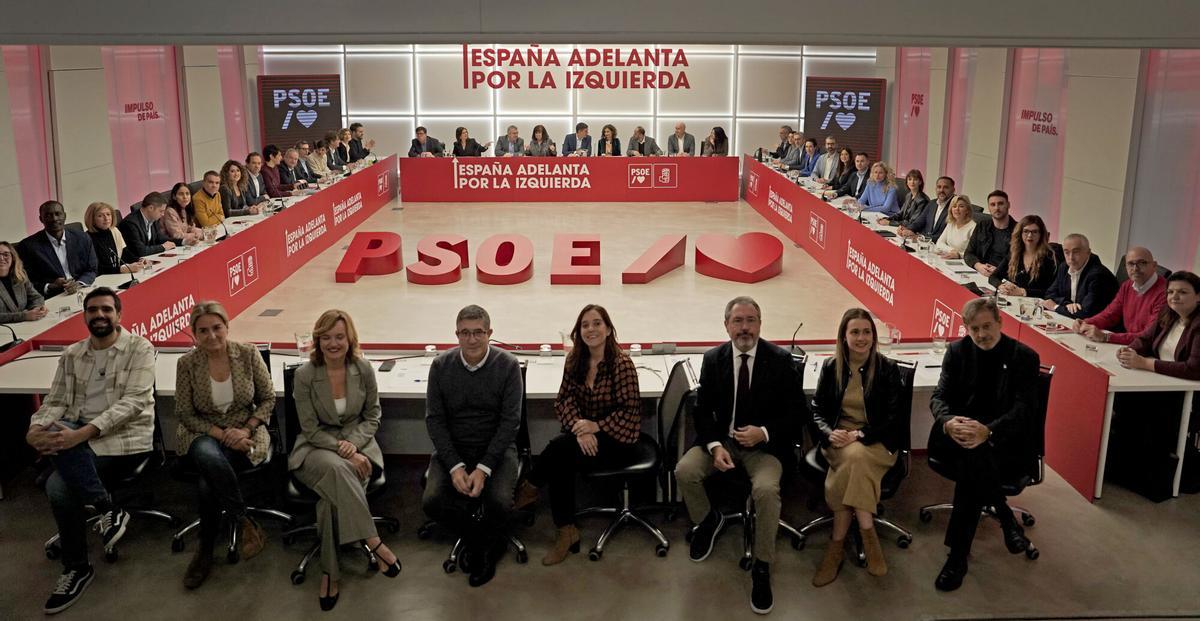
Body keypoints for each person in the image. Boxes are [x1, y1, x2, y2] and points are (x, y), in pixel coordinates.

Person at [25, 287, 156, 614]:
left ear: (119, 315)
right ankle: (106, 508)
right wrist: (34, 430)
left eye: (106, 310)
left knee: (58, 485)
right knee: (58, 435)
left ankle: (77, 566)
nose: (99, 315)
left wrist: (81, 433)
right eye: (93, 310)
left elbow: (134, 403)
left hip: (124, 438)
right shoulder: (71, 355)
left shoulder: (140, 348)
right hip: (77, 436)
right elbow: (54, 402)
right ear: (84, 316)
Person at [675, 296, 807, 615]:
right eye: (738, 321)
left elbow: (796, 414)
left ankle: (762, 566)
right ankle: (709, 521)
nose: (744, 327)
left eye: (751, 320)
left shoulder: (780, 360)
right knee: (684, 471)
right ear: (726, 326)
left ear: (760, 324)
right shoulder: (713, 359)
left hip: (765, 449)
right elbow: (702, 411)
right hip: (724, 442)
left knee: (765, 491)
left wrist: (763, 432)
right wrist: (715, 446)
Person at [513, 304, 642, 566]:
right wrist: (580, 428)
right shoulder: (575, 361)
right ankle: (566, 531)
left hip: (619, 440)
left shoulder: (622, 364)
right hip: (583, 439)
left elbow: (630, 412)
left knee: (560, 450)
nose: (591, 329)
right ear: (578, 331)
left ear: (608, 329)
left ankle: (531, 487)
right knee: (562, 457)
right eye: (585, 325)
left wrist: (596, 426)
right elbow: (564, 401)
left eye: (597, 323)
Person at [289, 309, 400, 611]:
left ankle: (329, 572)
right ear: (317, 340)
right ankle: (373, 542)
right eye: (326, 337)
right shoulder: (305, 375)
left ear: (350, 339)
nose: (333, 343)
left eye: (339, 336)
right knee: (341, 470)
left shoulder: (363, 369)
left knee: (329, 500)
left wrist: (352, 444)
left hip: (358, 447)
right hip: (315, 449)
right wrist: (342, 448)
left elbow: (373, 416)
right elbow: (309, 428)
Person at [929, 296, 1039, 592]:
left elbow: (1024, 410)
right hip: (957, 435)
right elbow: (939, 398)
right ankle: (1006, 519)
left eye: (987, 326)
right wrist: (949, 422)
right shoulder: (956, 352)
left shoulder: (1024, 357)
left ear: (1001, 322)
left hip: (1003, 441)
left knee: (973, 463)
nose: (981, 334)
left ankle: (958, 556)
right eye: (974, 328)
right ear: (966, 328)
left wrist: (987, 432)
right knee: (973, 455)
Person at [174, 301, 273, 589]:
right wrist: (222, 434)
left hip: (247, 433)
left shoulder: (248, 353)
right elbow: (184, 413)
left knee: (208, 482)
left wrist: (245, 430)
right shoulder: (187, 364)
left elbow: (268, 399)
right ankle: (244, 522)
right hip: (202, 434)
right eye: (202, 330)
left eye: (217, 328)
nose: (211, 335)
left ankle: (205, 550)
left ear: (227, 327)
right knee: (206, 452)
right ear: (193, 333)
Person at [422, 305, 522, 587]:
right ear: (456, 334)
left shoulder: (508, 365)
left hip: (496, 451)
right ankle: (484, 543)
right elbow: (435, 421)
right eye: (465, 332)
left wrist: (483, 468)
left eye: (478, 332)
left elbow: (510, 423)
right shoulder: (441, 366)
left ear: (490, 333)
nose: (472, 339)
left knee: (499, 502)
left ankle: (479, 548)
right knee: (432, 501)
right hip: (454, 450)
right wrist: (454, 467)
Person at [810, 308, 903, 586]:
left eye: (866, 332)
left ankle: (835, 547)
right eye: (855, 332)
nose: (861, 337)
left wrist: (861, 434)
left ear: (873, 336)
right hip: (839, 441)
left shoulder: (887, 369)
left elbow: (893, 419)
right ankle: (868, 533)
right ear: (844, 336)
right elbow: (817, 410)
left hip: (876, 442)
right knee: (854, 460)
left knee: (856, 459)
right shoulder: (831, 367)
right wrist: (830, 433)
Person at [1117, 271, 1200, 379]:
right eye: (1170, 292)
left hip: (1186, 389)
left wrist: (1144, 363)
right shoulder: (1168, 313)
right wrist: (1128, 351)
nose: (1174, 297)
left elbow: (1194, 369)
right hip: (1159, 378)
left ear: (1198, 296)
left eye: (1182, 292)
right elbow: (1145, 340)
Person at [1076, 247, 1168, 345]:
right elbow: (1110, 314)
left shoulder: (1166, 293)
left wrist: (1106, 337)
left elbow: (1148, 336)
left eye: (1142, 263)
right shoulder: (1127, 285)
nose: (1135, 268)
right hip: (1129, 345)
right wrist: (1085, 323)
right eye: (1130, 264)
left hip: (1149, 351)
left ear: (1154, 266)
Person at [17, 200, 98, 297]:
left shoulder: (82, 238)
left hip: (82, 289)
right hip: (53, 296)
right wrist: (51, 286)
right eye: (48, 215)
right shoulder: (28, 246)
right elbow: (26, 282)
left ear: (64, 216)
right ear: (41, 219)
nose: (54, 219)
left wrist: (79, 284)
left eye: (58, 214)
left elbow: (92, 269)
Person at [1041, 233, 1119, 319]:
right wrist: (1067, 304)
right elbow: (1049, 295)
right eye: (1066, 252)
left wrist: (1055, 307)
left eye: (1076, 252)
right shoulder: (1064, 267)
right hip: (1074, 320)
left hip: (1103, 327)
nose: (1071, 257)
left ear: (1088, 252)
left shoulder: (1098, 275)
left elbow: (1085, 313)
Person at [991, 215, 1057, 298]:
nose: (1029, 235)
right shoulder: (1015, 253)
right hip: (1014, 300)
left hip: (1035, 304)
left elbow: (1050, 292)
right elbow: (994, 277)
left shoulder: (1048, 257)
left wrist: (1022, 292)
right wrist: (1000, 286)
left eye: (1034, 232)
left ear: (1041, 234)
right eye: (1026, 231)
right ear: (1020, 233)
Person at [964, 190, 1016, 277]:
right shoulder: (982, 226)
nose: (997, 208)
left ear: (1008, 205)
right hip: (980, 273)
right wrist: (979, 266)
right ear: (989, 207)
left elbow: (1020, 266)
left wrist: (999, 272)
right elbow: (968, 253)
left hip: (1003, 278)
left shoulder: (1019, 231)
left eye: (1000, 204)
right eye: (993, 204)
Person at [82, 202, 142, 276]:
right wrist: (121, 269)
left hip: (117, 275)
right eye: (100, 216)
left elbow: (125, 253)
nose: (106, 218)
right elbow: (96, 268)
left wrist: (139, 260)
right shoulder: (86, 239)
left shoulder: (114, 231)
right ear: (92, 219)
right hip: (102, 279)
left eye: (108, 214)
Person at [118, 192, 177, 264]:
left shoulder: (153, 218)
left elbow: (160, 239)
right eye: (161, 211)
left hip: (148, 261)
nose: (163, 214)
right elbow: (140, 251)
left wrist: (184, 241)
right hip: (133, 264)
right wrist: (163, 247)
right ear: (150, 208)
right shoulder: (130, 223)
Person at [0, 240, 47, 323]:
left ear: (13, 257)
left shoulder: (20, 275)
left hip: (26, 326)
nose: (1, 258)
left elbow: (36, 297)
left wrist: (37, 310)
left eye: (6, 254)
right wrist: (24, 316)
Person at [901, 176, 956, 241]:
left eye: (946, 187)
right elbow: (919, 222)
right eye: (939, 187)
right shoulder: (932, 203)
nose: (941, 190)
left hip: (940, 246)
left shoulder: (955, 207)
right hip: (924, 244)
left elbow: (946, 235)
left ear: (953, 190)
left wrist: (921, 238)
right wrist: (908, 229)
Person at [933, 195, 978, 260]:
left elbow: (974, 253)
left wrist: (959, 255)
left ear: (967, 210)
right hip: (948, 258)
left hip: (963, 262)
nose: (957, 209)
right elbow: (939, 243)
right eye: (954, 206)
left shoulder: (973, 227)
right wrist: (951, 251)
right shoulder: (951, 223)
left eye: (961, 206)